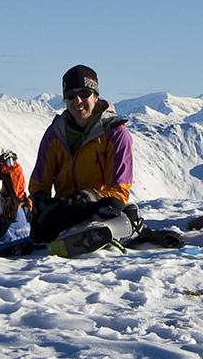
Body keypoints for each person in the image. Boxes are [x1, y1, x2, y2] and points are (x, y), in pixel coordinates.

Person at [28, 64, 134, 243]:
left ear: (95, 96)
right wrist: (40, 201)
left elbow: (119, 189)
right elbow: (40, 180)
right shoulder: (55, 133)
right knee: (40, 232)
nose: (77, 101)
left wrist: (89, 197)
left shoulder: (115, 134)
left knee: (110, 207)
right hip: (66, 207)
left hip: (100, 205)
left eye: (84, 94)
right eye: (70, 96)